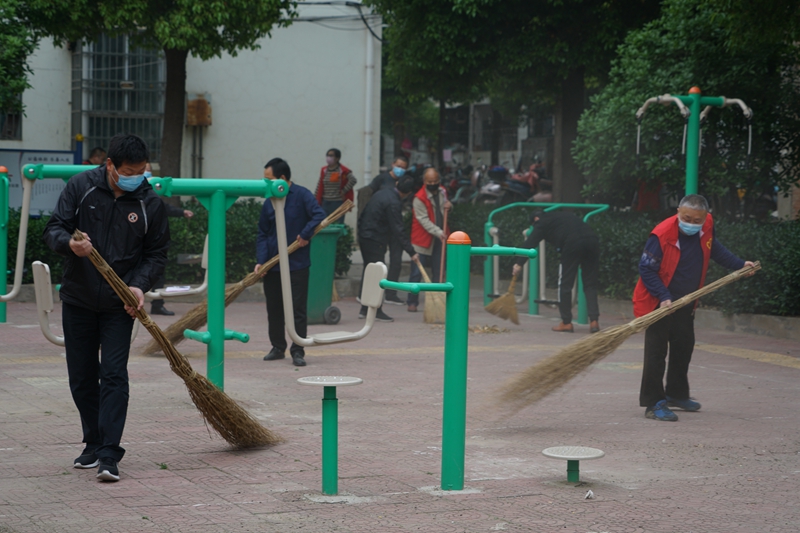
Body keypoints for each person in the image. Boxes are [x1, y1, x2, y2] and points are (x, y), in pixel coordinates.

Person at [43, 133, 170, 482]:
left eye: (143, 170)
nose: (138, 177)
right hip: (78, 298)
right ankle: (94, 441)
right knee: (82, 376)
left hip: (120, 304)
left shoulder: (149, 202)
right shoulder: (81, 186)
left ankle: (110, 453)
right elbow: (54, 228)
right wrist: (70, 244)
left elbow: (156, 254)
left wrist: (138, 286)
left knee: (113, 374)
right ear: (110, 166)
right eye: (130, 171)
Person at [634, 194, 755, 422]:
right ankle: (653, 403)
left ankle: (676, 394)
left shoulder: (707, 225)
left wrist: (739, 265)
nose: (691, 223)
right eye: (686, 217)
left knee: (684, 346)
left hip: (688, 299)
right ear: (678, 210)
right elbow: (646, 269)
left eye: (697, 220)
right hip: (659, 302)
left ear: (706, 217)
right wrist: (663, 296)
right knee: (656, 354)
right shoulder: (661, 234)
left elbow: (714, 248)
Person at [255, 158, 326, 367]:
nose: (266, 183)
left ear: (283, 178)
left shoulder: (302, 195)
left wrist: (305, 234)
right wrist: (261, 261)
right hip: (273, 265)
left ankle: (298, 350)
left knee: (296, 309)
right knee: (274, 308)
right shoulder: (270, 201)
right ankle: (277, 347)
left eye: (269, 179)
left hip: (297, 264)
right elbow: (262, 233)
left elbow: (319, 215)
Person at [512, 210, 601, 333]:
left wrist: (519, 263)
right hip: (592, 240)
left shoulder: (541, 223)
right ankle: (594, 321)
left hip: (572, 244)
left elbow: (530, 243)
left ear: (535, 220)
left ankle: (566, 322)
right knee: (590, 284)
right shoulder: (560, 215)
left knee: (565, 284)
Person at [357, 177, 419, 322]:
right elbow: (398, 229)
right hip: (375, 239)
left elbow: (363, 213)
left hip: (365, 237)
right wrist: (411, 252)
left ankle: (364, 309)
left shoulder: (381, 193)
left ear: (397, 184)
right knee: (378, 274)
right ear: (408, 193)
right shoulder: (393, 203)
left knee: (369, 273)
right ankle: (375, 310)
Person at [143, 163, 194, 316]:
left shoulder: (154, 194)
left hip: (154, 240)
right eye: (144, 171)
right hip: (137, 240)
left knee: (158, 271)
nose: (147, 174)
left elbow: (164, 207)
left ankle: (157, 304)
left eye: (149, 171)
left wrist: (182, 212)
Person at [367, 155, 409, 305]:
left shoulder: (404, 183)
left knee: (396, 260)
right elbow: (368, 195)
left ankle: (391, 293)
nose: (400, 170)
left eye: (404, 167)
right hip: (382, 228)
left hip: (395, 227)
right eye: (399, 166)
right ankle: (375, 294)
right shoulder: (381, 179)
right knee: (379, 262)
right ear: (392, 164)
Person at [407, 168, 450, 312]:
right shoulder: (419, 198)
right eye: (430, 182)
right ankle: (412, 302)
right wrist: (438, 232)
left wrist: (450, 206)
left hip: (440, 238)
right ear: (424, 182)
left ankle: (436, 301)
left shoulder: (442, 192)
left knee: (439, 271)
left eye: (435, 181)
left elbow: (447, 206)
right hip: (422, 239)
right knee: (416, 273)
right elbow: (423, 220)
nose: (433, 184)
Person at [314, 148, 356, 223]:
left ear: (337, 158)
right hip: (325, 202)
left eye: (331, 155)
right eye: (327, 155)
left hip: (338, 202)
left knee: (338, 224)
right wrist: (315, 198)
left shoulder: (342, 170)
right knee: (324, 224)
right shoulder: (324, 170)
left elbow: (353, 180)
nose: (328, 157)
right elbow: (320, 185)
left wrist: (344, 191)